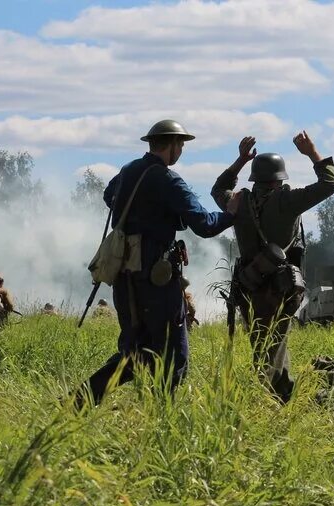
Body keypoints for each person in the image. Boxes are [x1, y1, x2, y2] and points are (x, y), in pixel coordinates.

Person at [73, 119, 240, 408]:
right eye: (181, 145)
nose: (182, 150)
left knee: (134, 354)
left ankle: (78, 402)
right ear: (173, 145)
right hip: (156, 283)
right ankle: (163, 421)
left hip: (125, 279)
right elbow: (203, 224)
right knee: (174, 358)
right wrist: (230, 213)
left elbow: (108, 196)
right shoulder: (167, 179)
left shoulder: (128, 172)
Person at [211, 131, 334, 403]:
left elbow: (217, 189)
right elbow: (331, 183)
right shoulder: (287, 200)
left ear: (255, 178)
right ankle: (269, 402)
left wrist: (240, 161)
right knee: (272, 347)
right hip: (281, 288)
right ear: (281, 178)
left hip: (249, 285)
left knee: (265, 343)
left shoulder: (239, 201)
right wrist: (312, 152)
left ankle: (282, 396)